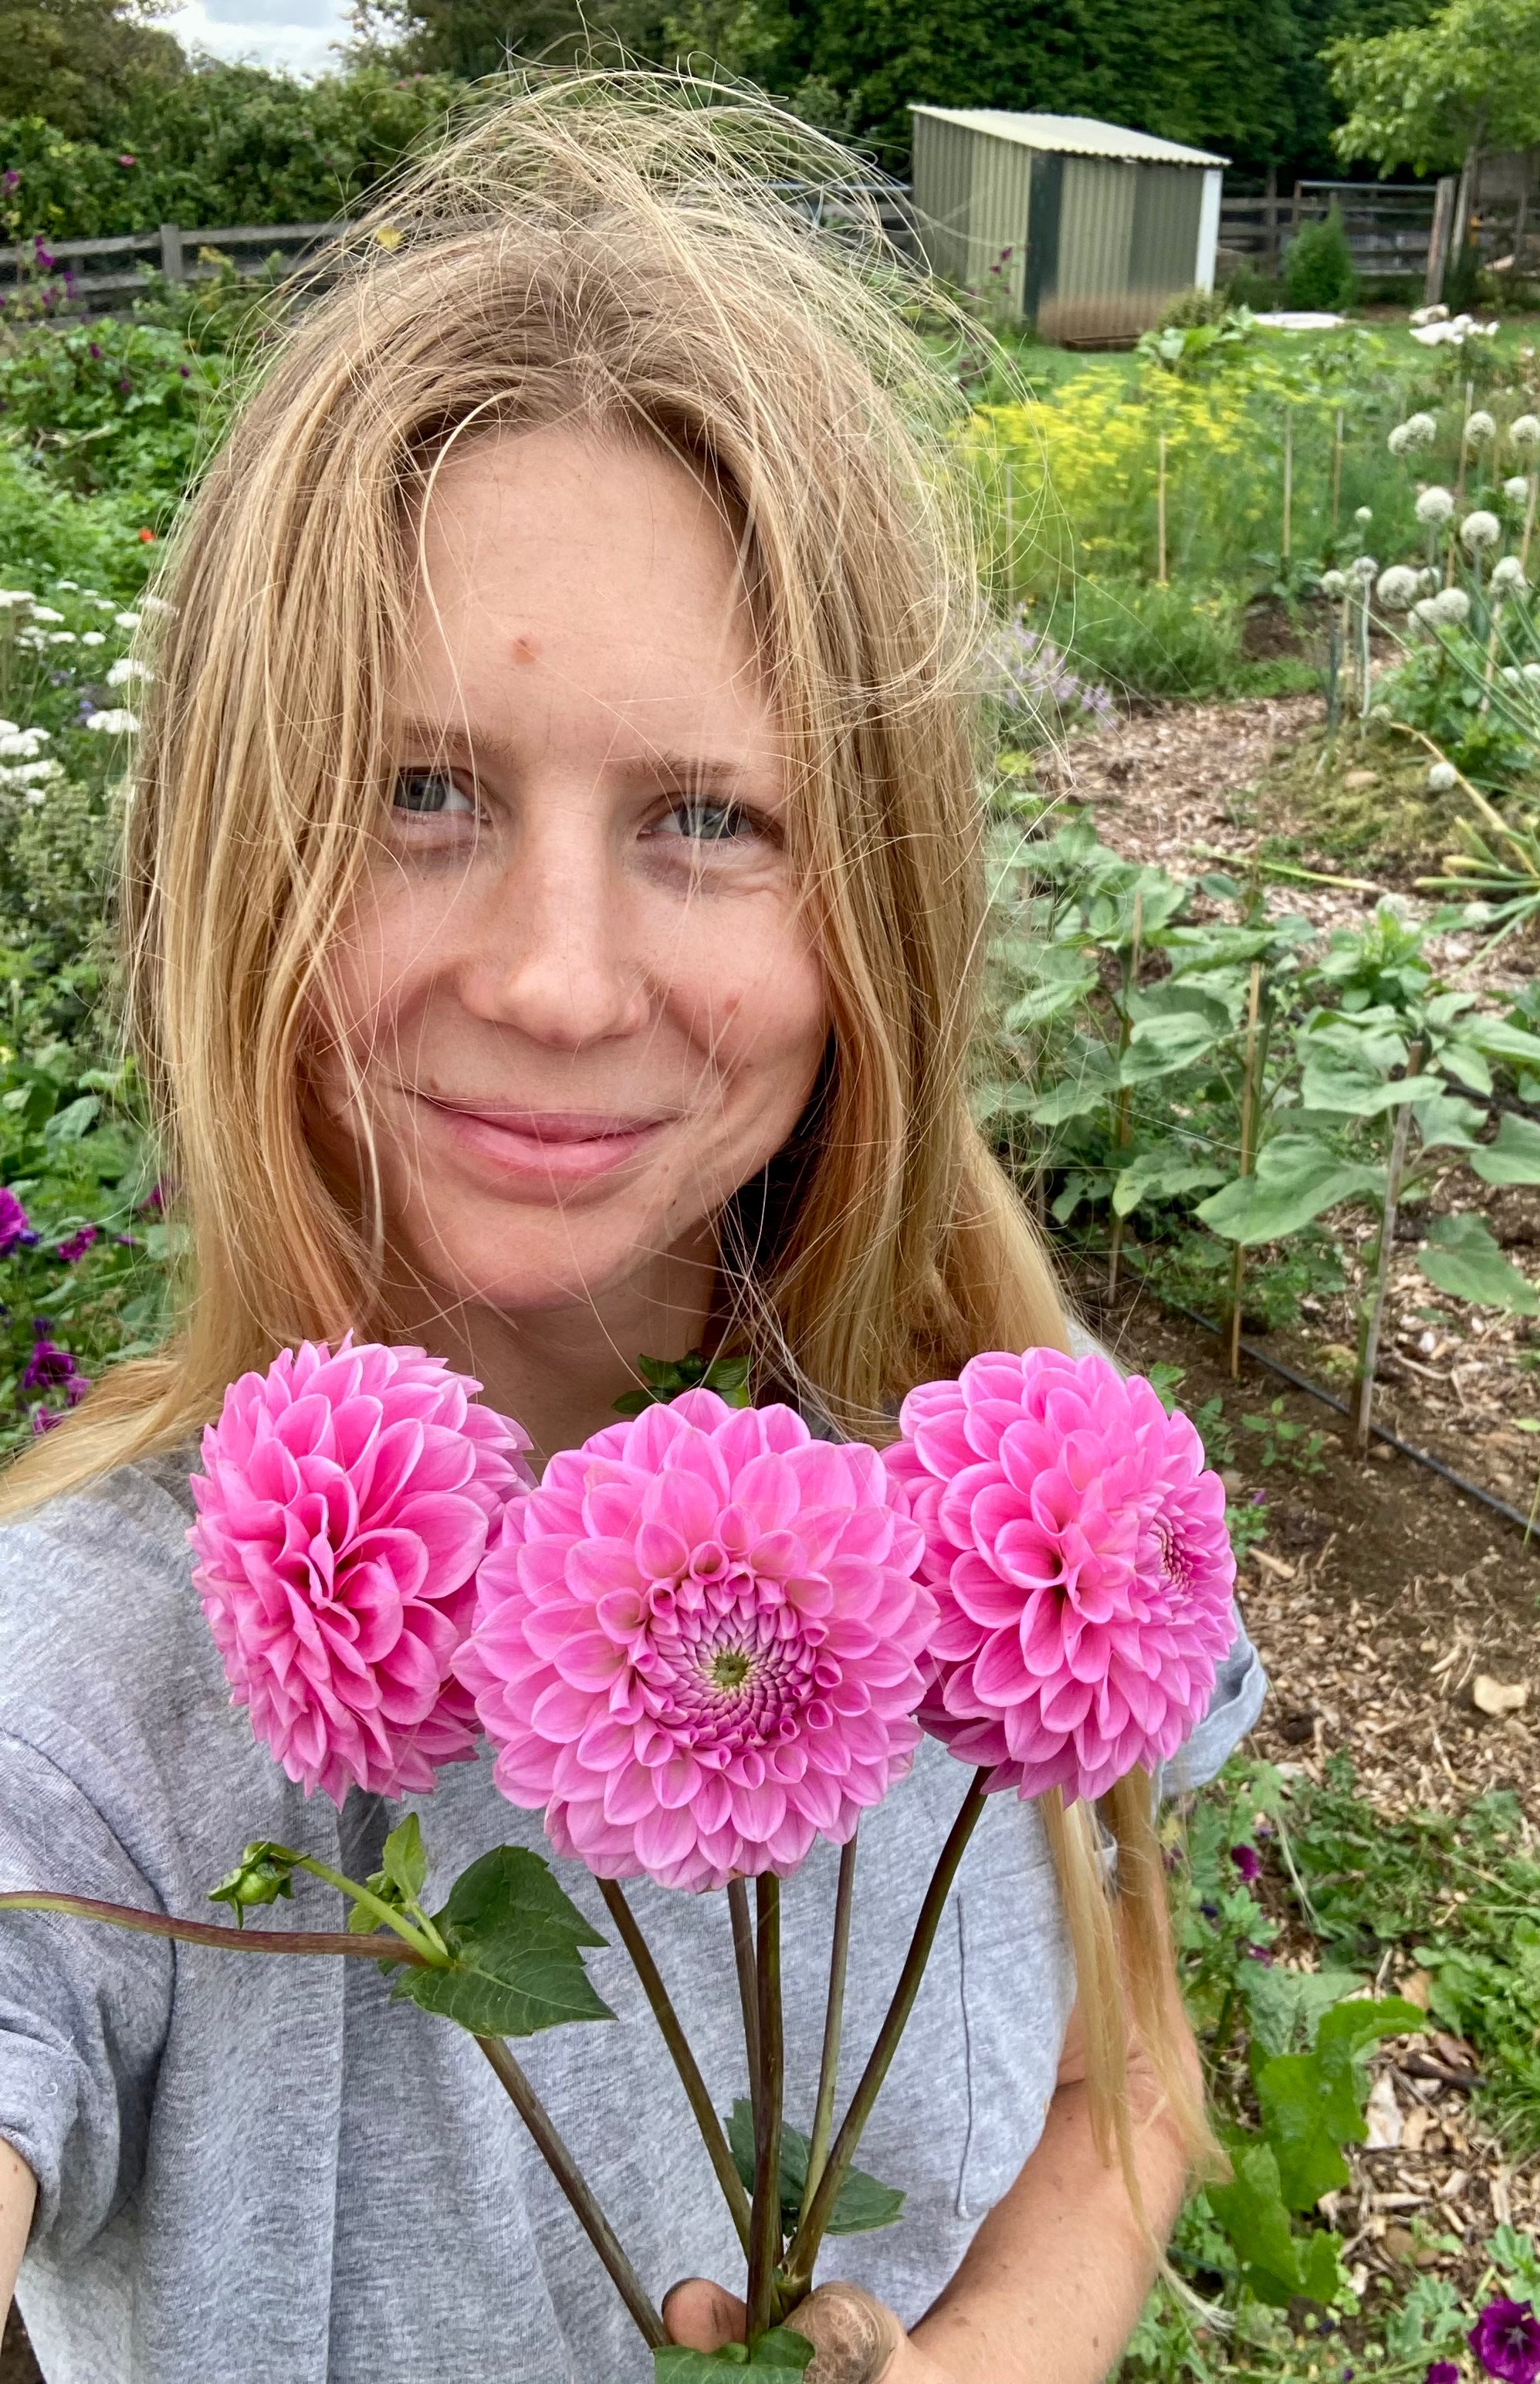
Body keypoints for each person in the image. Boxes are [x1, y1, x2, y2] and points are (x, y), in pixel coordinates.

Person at [0, 83, 1264, 2384]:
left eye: (709, 815)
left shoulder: (1039, 1528)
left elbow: (1130, 2065)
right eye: (419, 794)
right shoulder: (102, 1706)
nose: (560, 980)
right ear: (221, 857)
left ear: (878, 902)